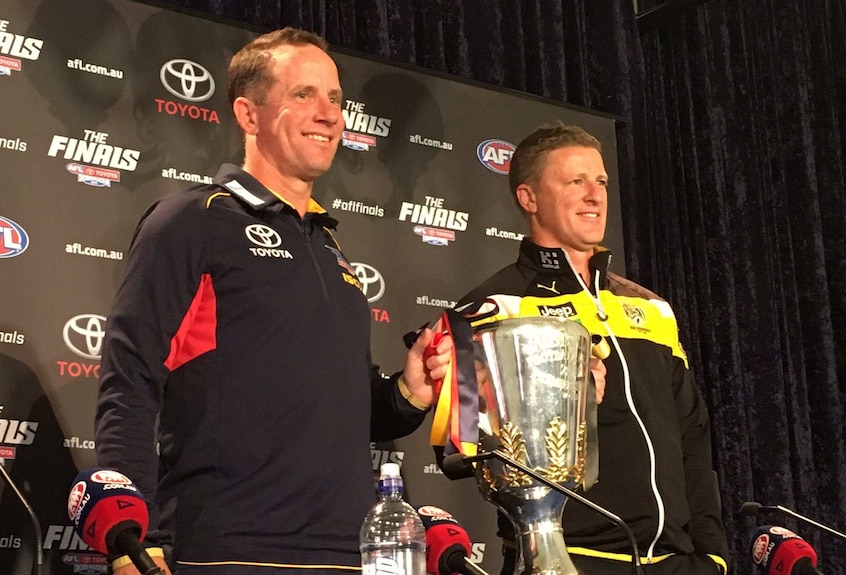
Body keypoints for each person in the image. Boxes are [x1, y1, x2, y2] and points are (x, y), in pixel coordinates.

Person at [94, 28, 450, 575]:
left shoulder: (330, 245)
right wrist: (132, 542)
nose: (329, 114)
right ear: (249, 113)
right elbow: (130, 377)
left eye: (335, 98)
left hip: (347, 555)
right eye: (303, 95)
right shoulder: (193, 220)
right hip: (225, 550)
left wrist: (408, 392)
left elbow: (344, 410)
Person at [450, 120, 729, 574]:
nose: (594, 194)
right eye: (575, 181)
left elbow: (692, 435)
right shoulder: (493, 306)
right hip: (573, 560)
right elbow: (457, 444)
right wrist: (556, 406)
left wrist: (712, 553)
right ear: (529, 198)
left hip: (680, 562)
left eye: (599, 181)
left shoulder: (652, 307)